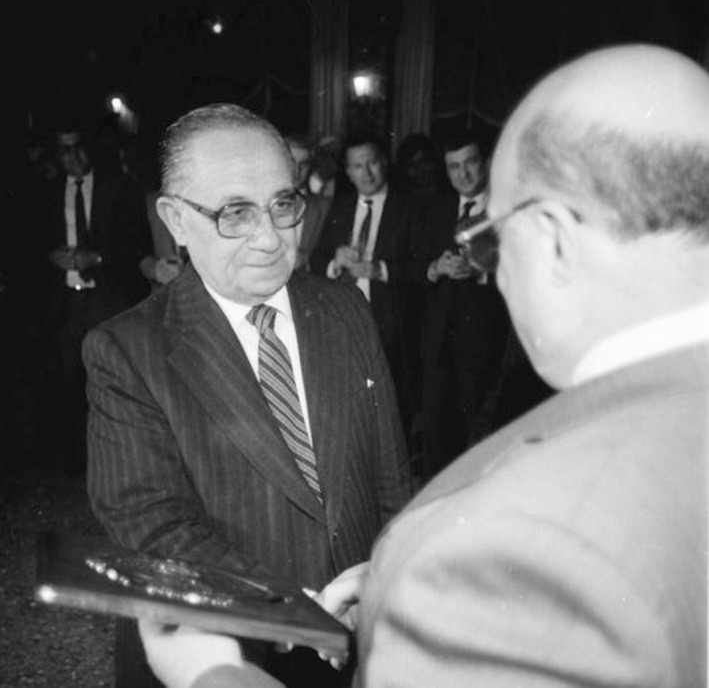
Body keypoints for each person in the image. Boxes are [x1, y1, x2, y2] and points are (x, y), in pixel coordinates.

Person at [140, 43, 708, 688]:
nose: (496, 274)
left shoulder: (522, 545)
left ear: (552, 237)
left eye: (490, 239)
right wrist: (397, 581)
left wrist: (212, 673)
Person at [84, 103, 413, 688]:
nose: (269, 238)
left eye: (283, 205)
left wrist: (386, 585)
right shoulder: (127, 351)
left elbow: (390, 483)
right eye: (235, 213)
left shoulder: (345, 309)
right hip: (231, 654)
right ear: (176, 220)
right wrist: (296, 611)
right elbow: (154, 528)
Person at [38, 120, 152, 474]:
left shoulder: (119, 188)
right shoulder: (46, 192)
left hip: (107, 299)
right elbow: (29, 242)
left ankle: (119, 460)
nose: (72, 157)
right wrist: (50, 256)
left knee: (113, 380)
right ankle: (76, 464)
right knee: (68, 380)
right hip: (65, 304)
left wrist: (98, 258)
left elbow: (137, 245)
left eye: (78, 147)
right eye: (64, 150)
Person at [310, 135, 422, 441]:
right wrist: (335, 261)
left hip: (389, 323)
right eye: (358, 166)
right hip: (342, 320)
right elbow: (317, 260)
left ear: (384, 163)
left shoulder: (408, 206)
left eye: (372, 163)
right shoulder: (341, 206)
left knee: (388, 411)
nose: (367, 172)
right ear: (348, 171)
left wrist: (381, 270)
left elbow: (423, 267)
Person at [415, 128, 511, 477]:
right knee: (436, 439)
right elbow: (416, 267)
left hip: (485, 346)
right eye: (454, 167)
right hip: (438, 345)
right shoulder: (435, 207)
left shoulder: (505, 209)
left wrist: (480, 271)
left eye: (470, 163)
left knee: (480, 445)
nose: (463, 174)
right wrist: (435, 268)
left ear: (485, 162)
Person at [284, 134, 333, 272]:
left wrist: (306, 258)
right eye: (291, 162)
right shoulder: (261, 202)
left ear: (311, 168)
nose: (296, 170)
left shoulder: (326, 207)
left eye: (303, 164)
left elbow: (333, 255)